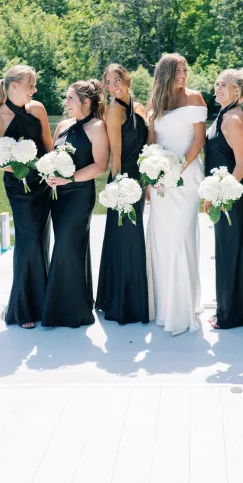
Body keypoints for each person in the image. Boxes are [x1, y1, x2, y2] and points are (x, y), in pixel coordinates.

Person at [0, 65, 52, 329]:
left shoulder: (38, 109)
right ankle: (22, 308)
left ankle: (42, 303)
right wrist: (13, 167)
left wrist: (53, 171)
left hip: (42, 183)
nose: (35, 90)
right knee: (27, 241)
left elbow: (48, 145)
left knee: (42, 238)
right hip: (18, 187)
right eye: (31, 85)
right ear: (14, 86)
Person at [146, 53, 207, 336]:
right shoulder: (155, 103)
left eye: (185, 70)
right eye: (178, 71)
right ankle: (162, 306)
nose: (183, 75)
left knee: (182, 237)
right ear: (165, 74)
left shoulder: (194, 98)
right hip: (159, 180)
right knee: (162, 239)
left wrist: (175, 169)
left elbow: (199, 140)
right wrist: (151, 177)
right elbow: (152, 143)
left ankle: (182, 310)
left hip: (186, 176)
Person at [41, 80, 109, 328]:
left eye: (70, 98)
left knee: (67, 247)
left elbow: (100, 165)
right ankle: (75, 302)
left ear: (86, 102)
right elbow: (52, 157)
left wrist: (69, 178)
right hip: (58, 196)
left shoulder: (97, 127)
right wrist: (50, 174)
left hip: (79, 195)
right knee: (65, 245)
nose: (66, 102)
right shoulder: (63, 125)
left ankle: (69, 312)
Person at [204, 68, 243, 329]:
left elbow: (241, 164)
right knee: (227, 251)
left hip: (233, 197)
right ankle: (229, 308)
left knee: (231, 252)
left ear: (236, 91)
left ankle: (233, 314)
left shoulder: (234, 118)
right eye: (216, 84)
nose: (217, 89)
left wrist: (221, 195)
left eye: (223, 85)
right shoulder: (224, 113)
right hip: (224, 192)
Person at [96, 64, 149, 324]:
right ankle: (121, 303)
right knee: (124, 239)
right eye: (108, 83)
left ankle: (134, 299)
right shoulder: (113, 110)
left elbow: (147, 146)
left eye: (117, 80)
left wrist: (148, 182)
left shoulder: (139, 108)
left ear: (127, 80)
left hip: (139, 178)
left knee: (134, 239)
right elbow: (115, 155)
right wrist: (118, 188)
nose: (113, 86)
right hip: (123, 180)